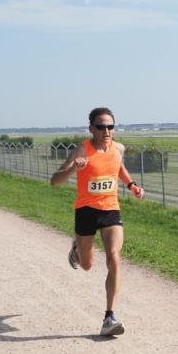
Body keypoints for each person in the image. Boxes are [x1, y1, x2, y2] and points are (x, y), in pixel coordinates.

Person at [50, 108, 144, 337]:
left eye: (110, 126)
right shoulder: (82, 150)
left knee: (114, 257)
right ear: (91, 128)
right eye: (101, 127)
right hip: (85, 211)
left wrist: (131, 186)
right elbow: (55, 181)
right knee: (87, 265)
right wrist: (74, 167)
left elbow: (119, 167)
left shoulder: (118, 148)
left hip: (111, 209)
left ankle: (109, 316)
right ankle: (77, 250)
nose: (106, 131)